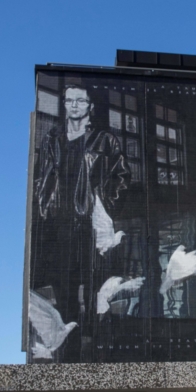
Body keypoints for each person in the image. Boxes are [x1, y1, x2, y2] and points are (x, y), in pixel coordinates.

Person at [31, 84, 130, 360]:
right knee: (63, 293)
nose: (73, 105)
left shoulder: (104, 140)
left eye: (80, 100)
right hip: (58, 227)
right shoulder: (52, 139)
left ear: (90, 107)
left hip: (89, 225)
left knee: (94, 289)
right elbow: (41, 179)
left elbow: (122, 177)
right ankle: (69, 354)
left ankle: (98, 349)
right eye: (69, 100)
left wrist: (105, 205)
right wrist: (42, 209)